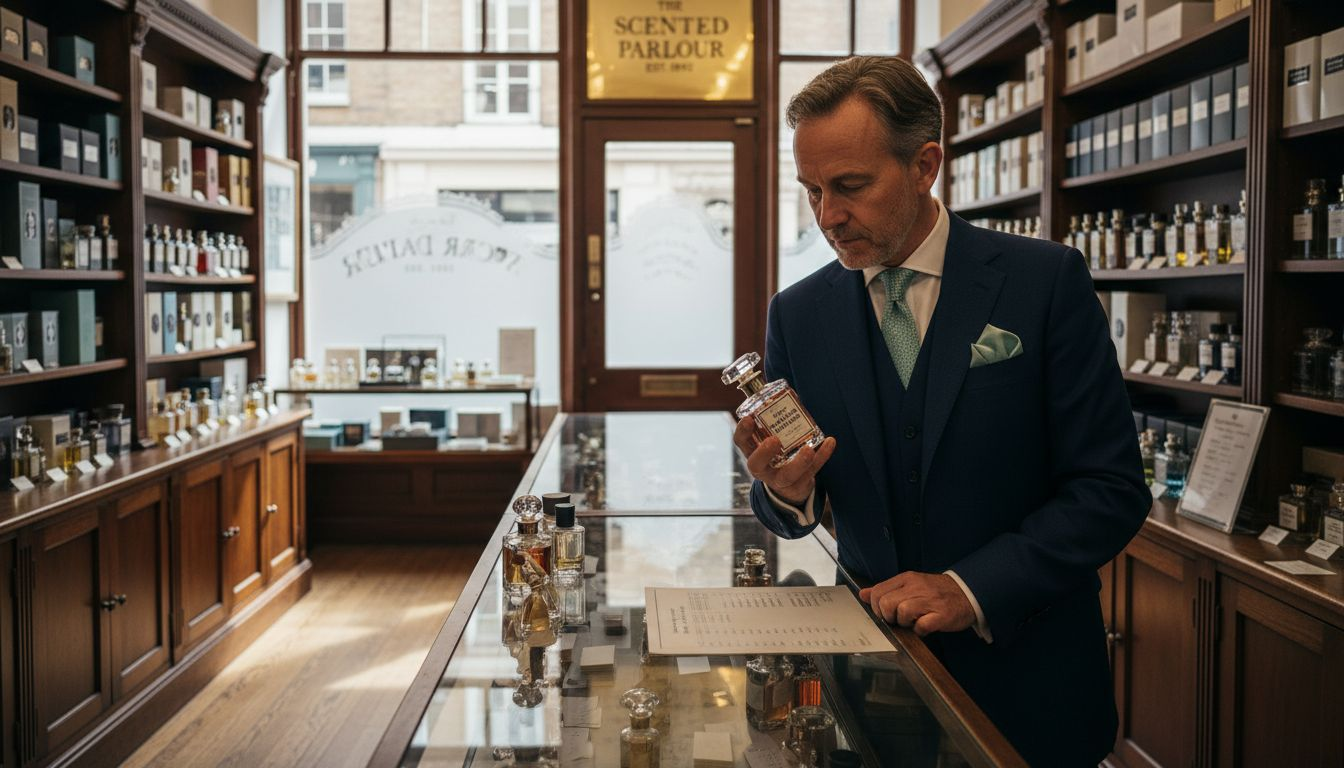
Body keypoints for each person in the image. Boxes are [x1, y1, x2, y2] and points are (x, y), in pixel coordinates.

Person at [735, 56, 1151, 766]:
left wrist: (971, 588)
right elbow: (789, 509)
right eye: (811, 191)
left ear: (925, 164)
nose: (828, 216)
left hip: (1031, 682)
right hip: (869, 682)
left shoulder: (1044, 283)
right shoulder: (796, 315)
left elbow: (1109, 490)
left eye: (851, 187)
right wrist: (785, 491)